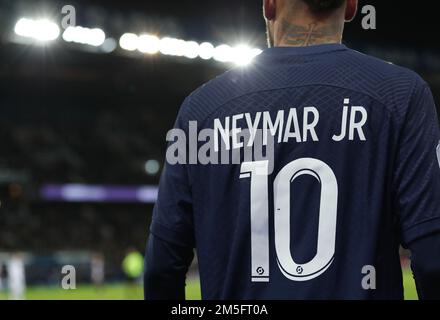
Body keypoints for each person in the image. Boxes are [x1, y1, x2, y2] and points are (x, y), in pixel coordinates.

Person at [144, 0, 440, 299]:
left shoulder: (200, 110)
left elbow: (162, 267)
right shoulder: (401, 94)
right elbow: (432, 258)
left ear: (269, 5)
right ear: (351, 6)